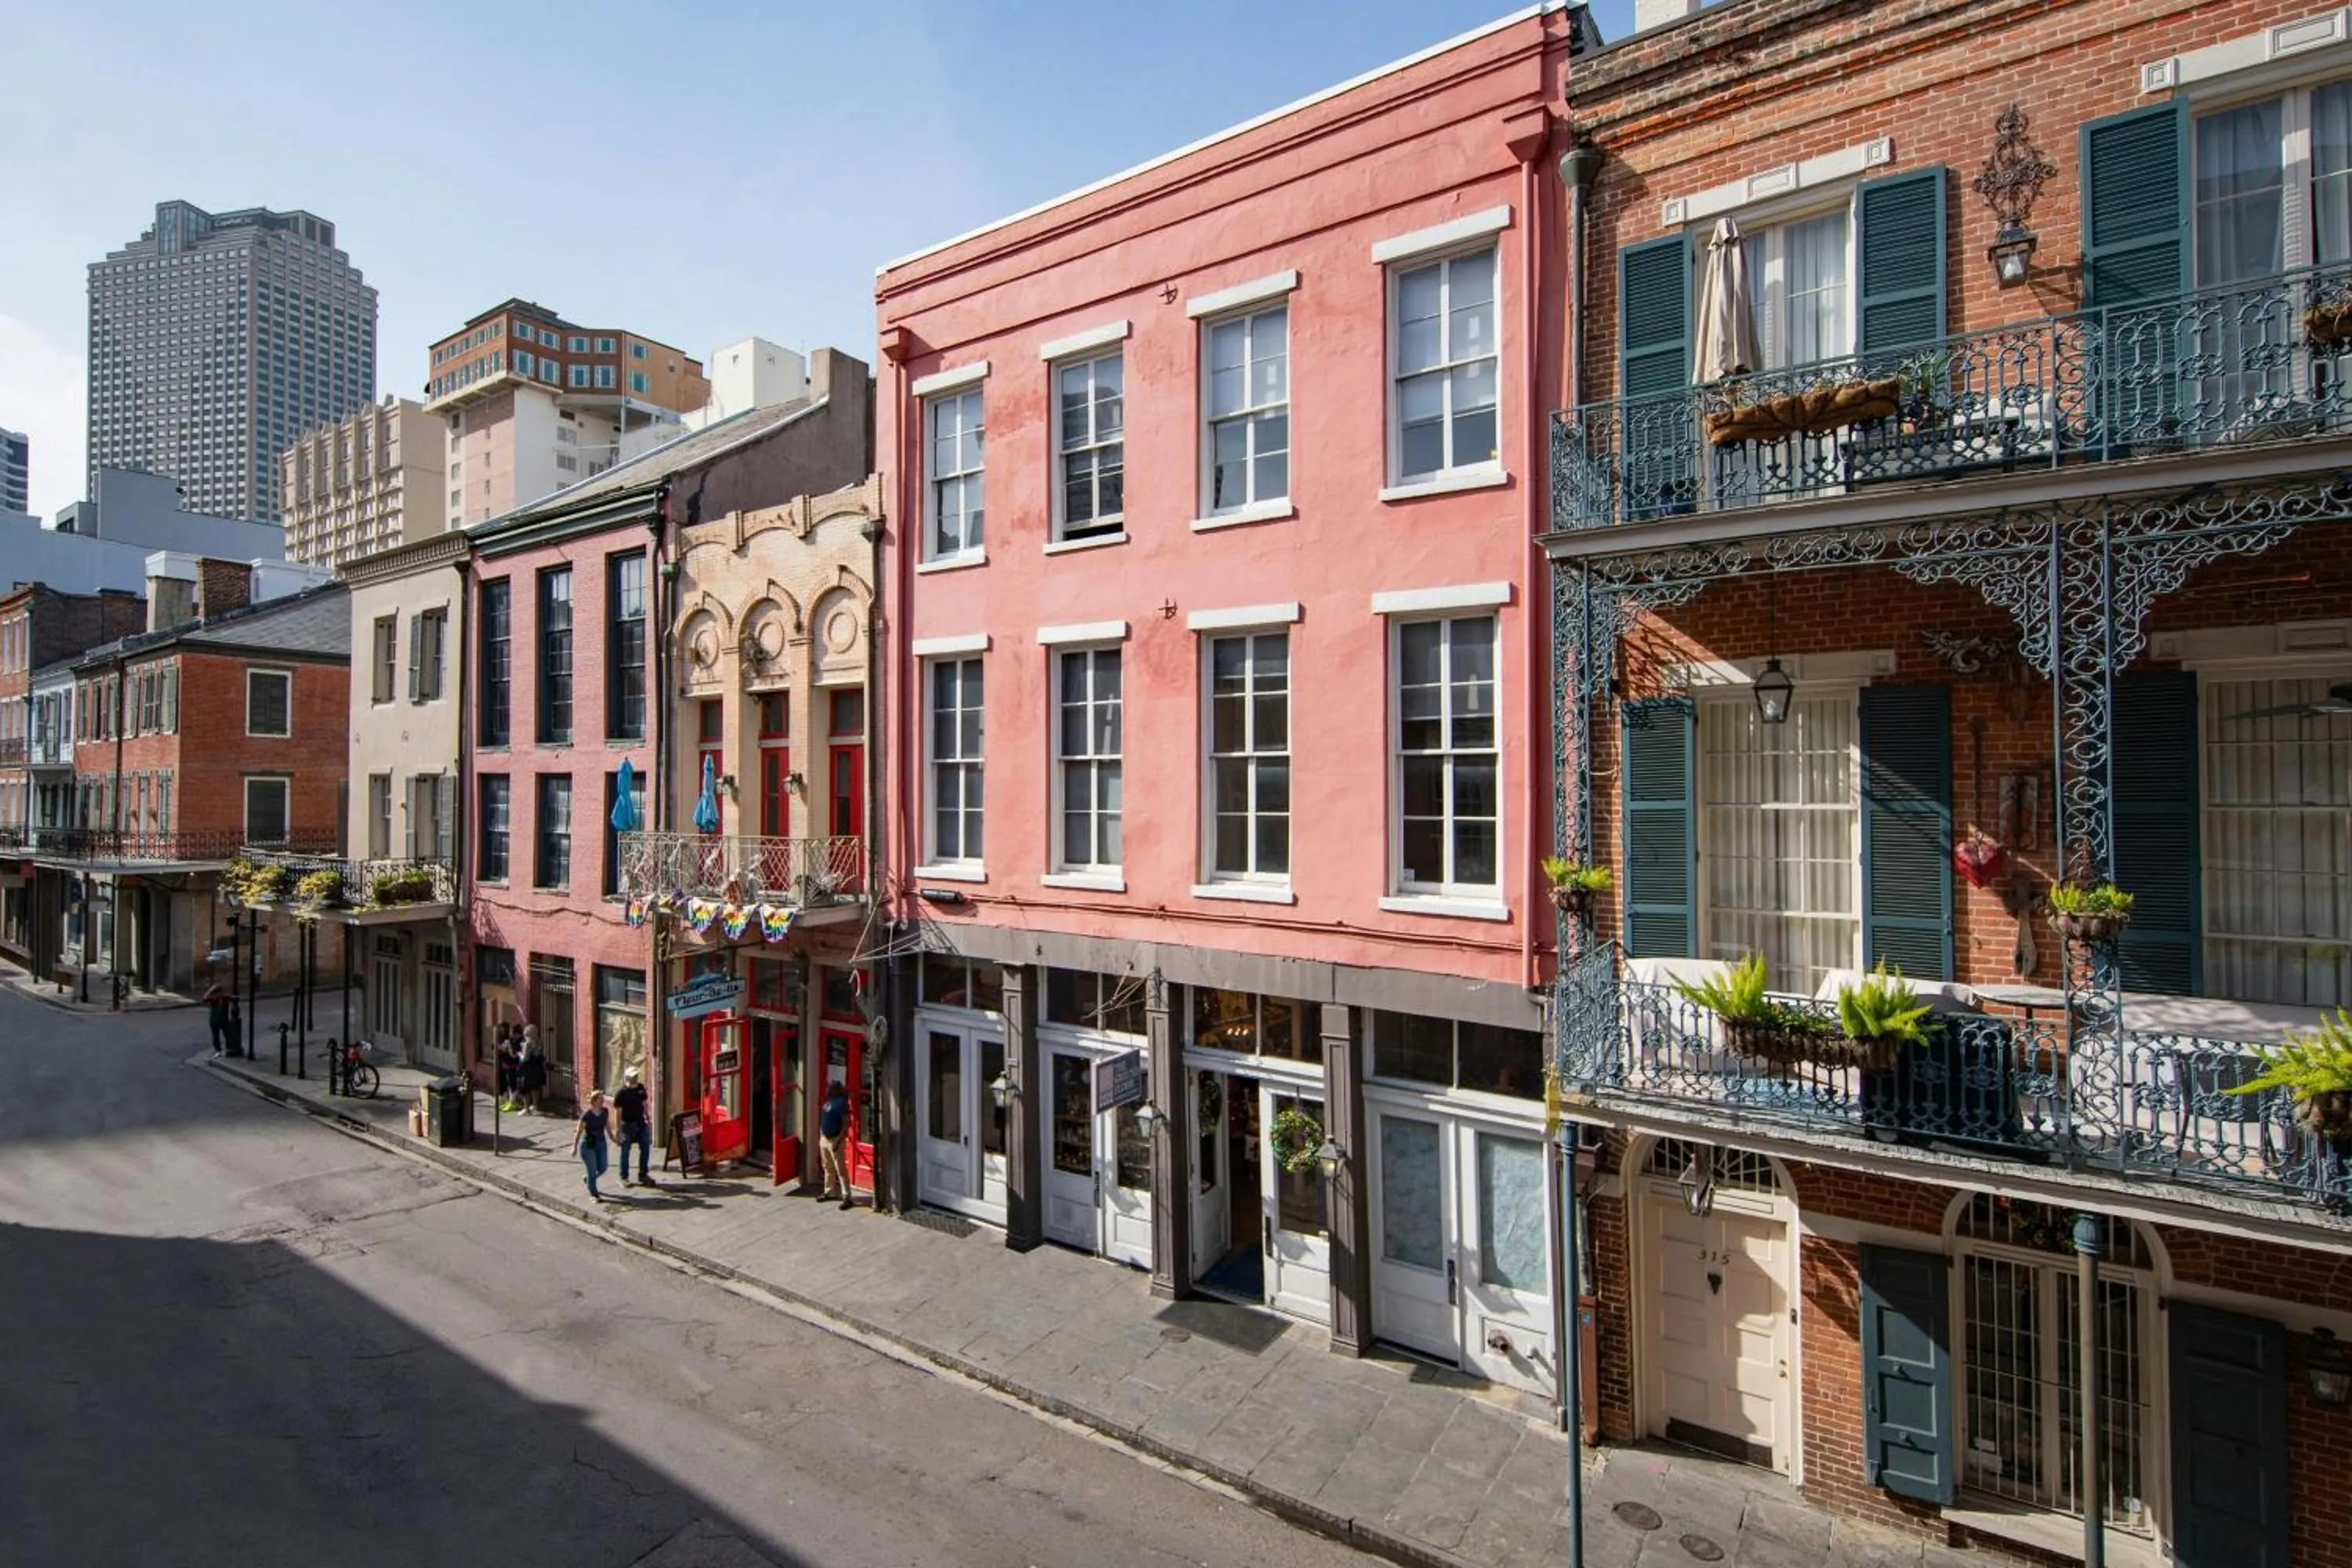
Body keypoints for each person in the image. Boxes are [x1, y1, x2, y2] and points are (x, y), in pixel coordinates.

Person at [612, 1065, 654, 1186]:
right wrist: (618, 1130)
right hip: (627, 1125)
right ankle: (624, 1177)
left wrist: (647, 1117)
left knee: (645, 1148)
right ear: (627, 1078)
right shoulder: (621, 1093)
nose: (635, 1078)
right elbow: (618, 1113)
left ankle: (643, 1175)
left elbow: (644, 1104)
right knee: (626, 1151)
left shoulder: (641, 1088)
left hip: (640, 1123)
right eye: (632, 1077)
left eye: (636, 1076)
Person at [818, 1080, 853, 1209]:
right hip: (825, 1139)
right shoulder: (828, 1102)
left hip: (835, 1139)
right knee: (827, 1167)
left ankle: (847, 1197)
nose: (827, 1090)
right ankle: (829, 1192)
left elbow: (846, 1124)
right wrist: (822, 1135)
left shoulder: (841, 1104)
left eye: (830, 1088)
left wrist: (838, 1142)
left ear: (836, 1090)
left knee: (841, 1169)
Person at [573, 1090, 613, 1200]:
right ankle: (594, 1194)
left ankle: (589, 1180)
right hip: (588, 1145)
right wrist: (574, 1147)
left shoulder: (605, 1111)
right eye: (600, 1098)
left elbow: (608, 1126)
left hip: (601, 1143)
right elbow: (579, 1131)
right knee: (592, 1170)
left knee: (603, 1167)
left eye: (603, 1098)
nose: (603, 1100)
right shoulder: (587, 1115)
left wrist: (614, 1138)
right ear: (594, 1101)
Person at [517, 1023, 548, 1114]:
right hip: (537, 1068)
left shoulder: (527, 1043)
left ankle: (526, 1108)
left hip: (528, 1069)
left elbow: (525, 1058)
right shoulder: (539, 1041)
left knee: (525, 1089)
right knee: (536, 1087)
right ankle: (535, 1105)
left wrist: (519, 1054)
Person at [203, 981, 234, 1058]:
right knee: (216, 1036)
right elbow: (205, 998)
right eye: (217, 992)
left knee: (228, 1035)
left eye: (220, 992)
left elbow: (234, 997)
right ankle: (218, 1050)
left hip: (224, 1020)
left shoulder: (225, 998)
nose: (219, 994)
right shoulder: (213, 999)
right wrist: (211, 989)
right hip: (214, 1020)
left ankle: (228, 1049)